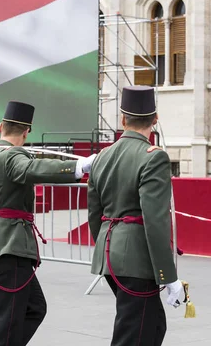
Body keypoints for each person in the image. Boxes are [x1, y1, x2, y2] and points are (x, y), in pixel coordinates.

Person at [0, 101, 96, 346]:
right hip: (11, 246)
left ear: (0, 127)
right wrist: (78, 166)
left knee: (33, 308)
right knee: (7, 319)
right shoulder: (13, 155)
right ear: (27, 131)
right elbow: (35, 168)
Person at [87, 86, 182, 346]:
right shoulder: (154, 158)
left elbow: (95, 214)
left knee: (152, 326)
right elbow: (155, 221)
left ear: (122, 119)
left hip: (110, 255)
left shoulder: (101, 157)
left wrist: (107, 248)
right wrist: (168, 275)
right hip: (136, 259)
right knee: (134, 335)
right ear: (155, 119)